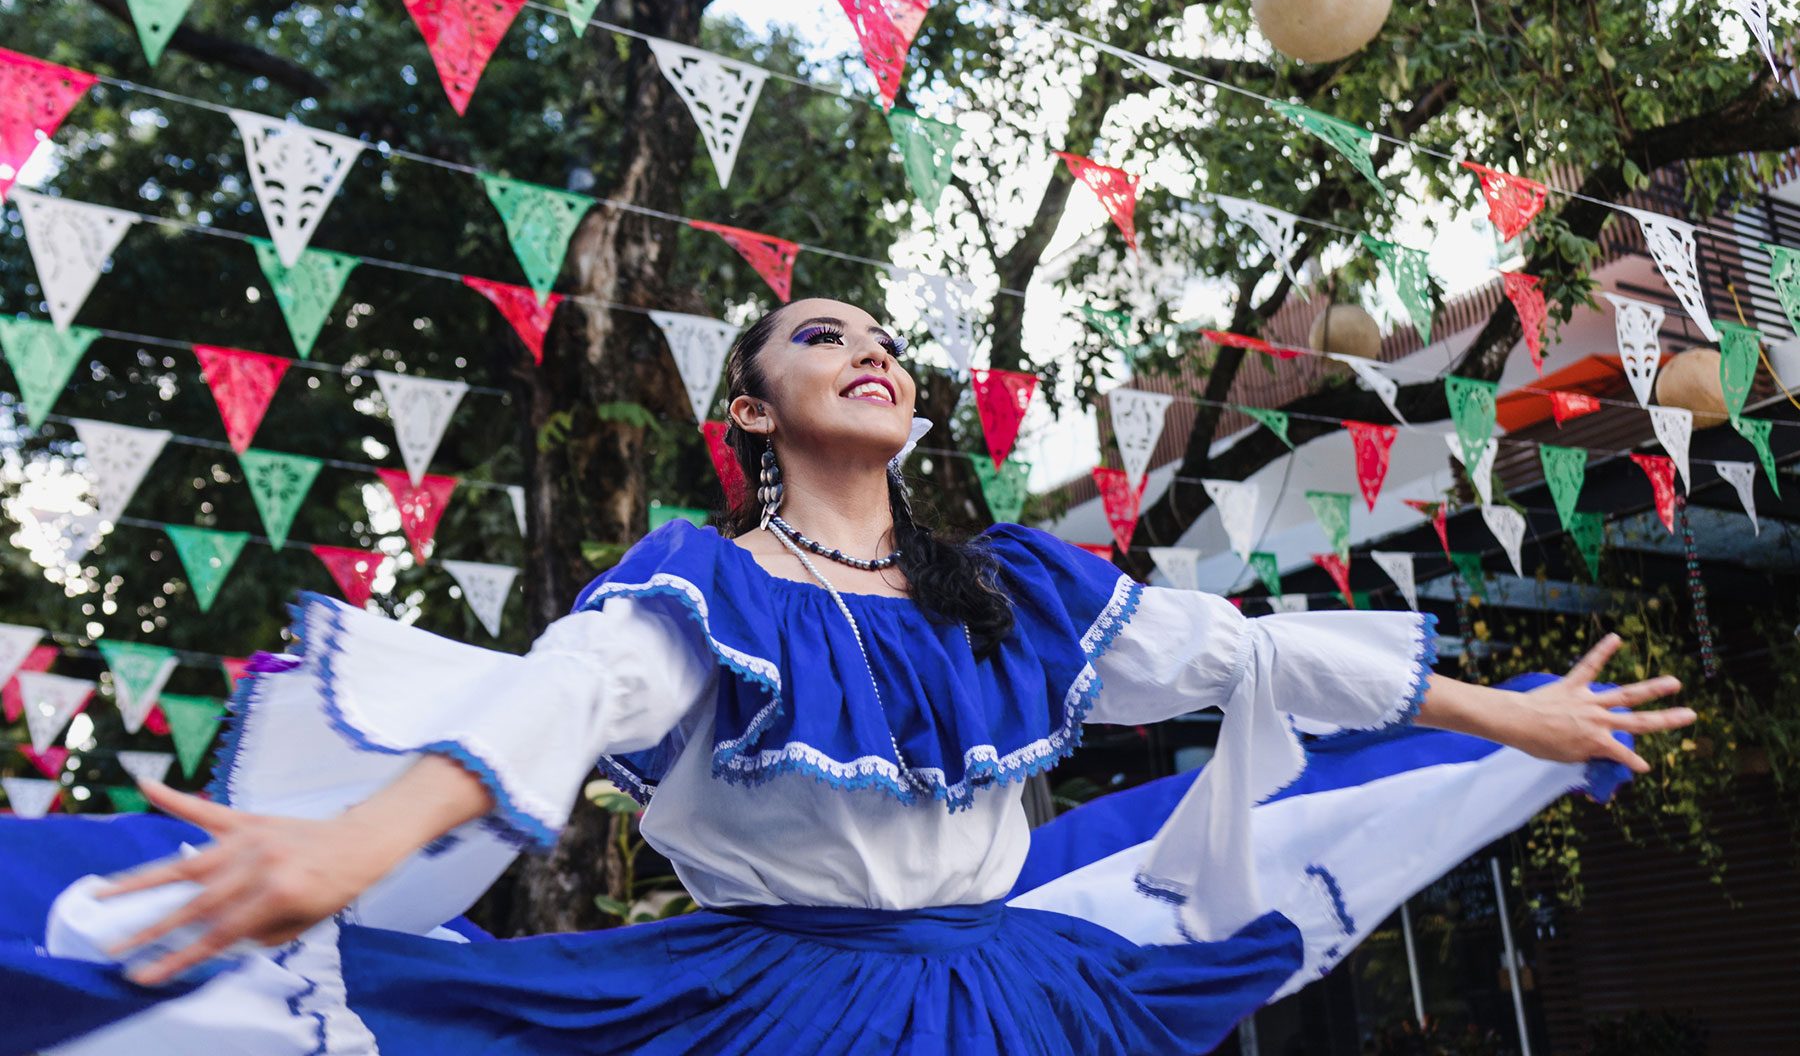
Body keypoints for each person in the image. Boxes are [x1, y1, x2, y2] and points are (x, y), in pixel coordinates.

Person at [0, 298, 1695, 1056]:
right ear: (748, 412)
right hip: (776, 1005)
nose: (867, 350)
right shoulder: (705, 588)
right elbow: (558, 699)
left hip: (1027, 998)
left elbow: (1256, 661)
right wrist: (343, 857)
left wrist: (1521, 716)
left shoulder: (1008, 595)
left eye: (880, 337)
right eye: (818, 336)